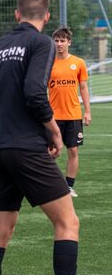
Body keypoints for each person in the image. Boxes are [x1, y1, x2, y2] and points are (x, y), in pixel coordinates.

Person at [0, 0, 79, 275]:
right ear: (47, 16)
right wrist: (53, 132)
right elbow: (34, 93)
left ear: (17, 15)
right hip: (27, 148)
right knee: (68, 223)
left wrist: (1, 128)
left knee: (0, 230)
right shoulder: (41, 42)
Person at [48, 27, 91, 197]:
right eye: (56, 40)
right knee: (50, 152)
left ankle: (69, 186)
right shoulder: (48, 63)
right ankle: (51, 184)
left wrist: (87, 111)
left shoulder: (78, 63)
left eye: (62, 40)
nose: (59, 44)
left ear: (69, 42)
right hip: (52, 117)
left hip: (73, 115)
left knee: (73, 151)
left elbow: (83, 88)